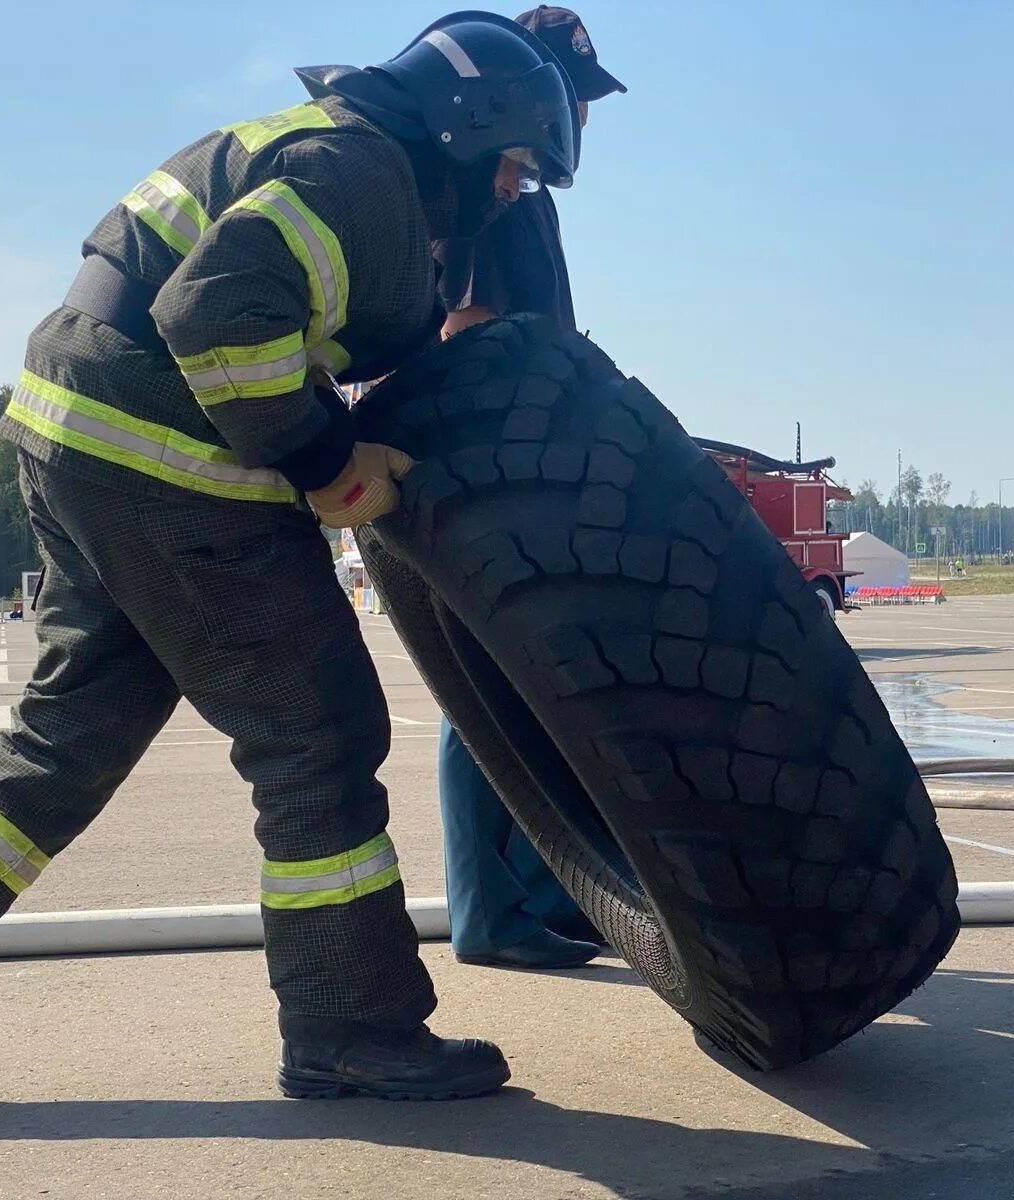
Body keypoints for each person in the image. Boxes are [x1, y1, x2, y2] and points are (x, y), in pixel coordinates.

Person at [0, 11, 580, 1104]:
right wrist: (328, 460)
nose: (511, 193)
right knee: (316, 729)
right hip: (159, 450)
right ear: (464, 126)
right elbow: (214, 313)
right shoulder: (365, 175)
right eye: (515, 166)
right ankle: (351, 1026)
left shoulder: (324, 143)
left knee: (70, 733)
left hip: (77, 429)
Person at [431, 6, 623, 971]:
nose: (583, 119)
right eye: (576, 98)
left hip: (537, 470)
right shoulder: (488, 197)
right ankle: (492, 910)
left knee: (537, 687)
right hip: (495, 479)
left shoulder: (527, 201)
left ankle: (552, 895)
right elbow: (464, 333)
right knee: (495, 691)